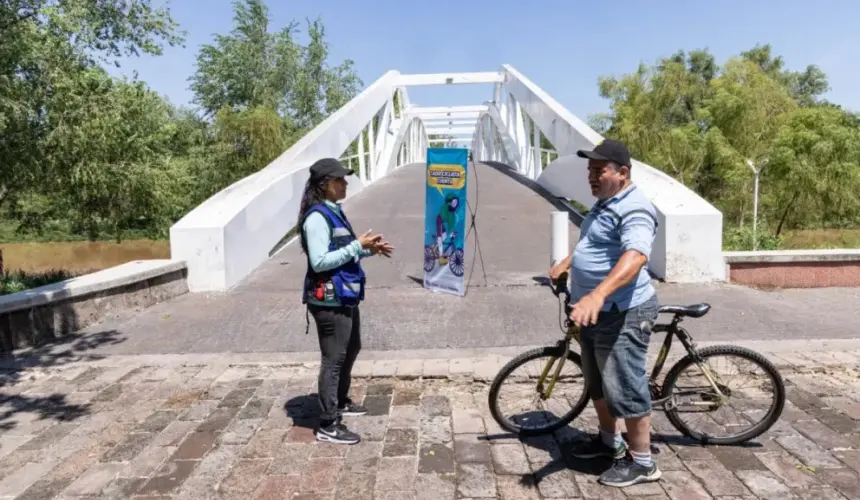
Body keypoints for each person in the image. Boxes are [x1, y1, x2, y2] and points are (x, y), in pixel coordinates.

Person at [548, 138, 661, 487]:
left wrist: (596, 294)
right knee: (598, 383)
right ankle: (609, 443)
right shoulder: (604, 204)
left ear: (622, 173)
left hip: (621, 311)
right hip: (592, 312)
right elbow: (592, 244)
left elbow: (636, 255)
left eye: (600, 171)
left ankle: (643, 463)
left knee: (625, 386)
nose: (592, 178)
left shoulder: (636, 208)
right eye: (590, 172)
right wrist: (569, 263)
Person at [298, 158, 394, 445]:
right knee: (334, 359)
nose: (345, 183)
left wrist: (367, 250)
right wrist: (357, 245)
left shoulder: (334, 211)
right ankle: (328, 423)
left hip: (345, 294)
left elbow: (341, 251)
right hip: (328, 300)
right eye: (340, 179)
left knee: (352, 347)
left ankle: (339, 401)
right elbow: (319, 262)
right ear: (324, 184)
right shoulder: (317, 217)